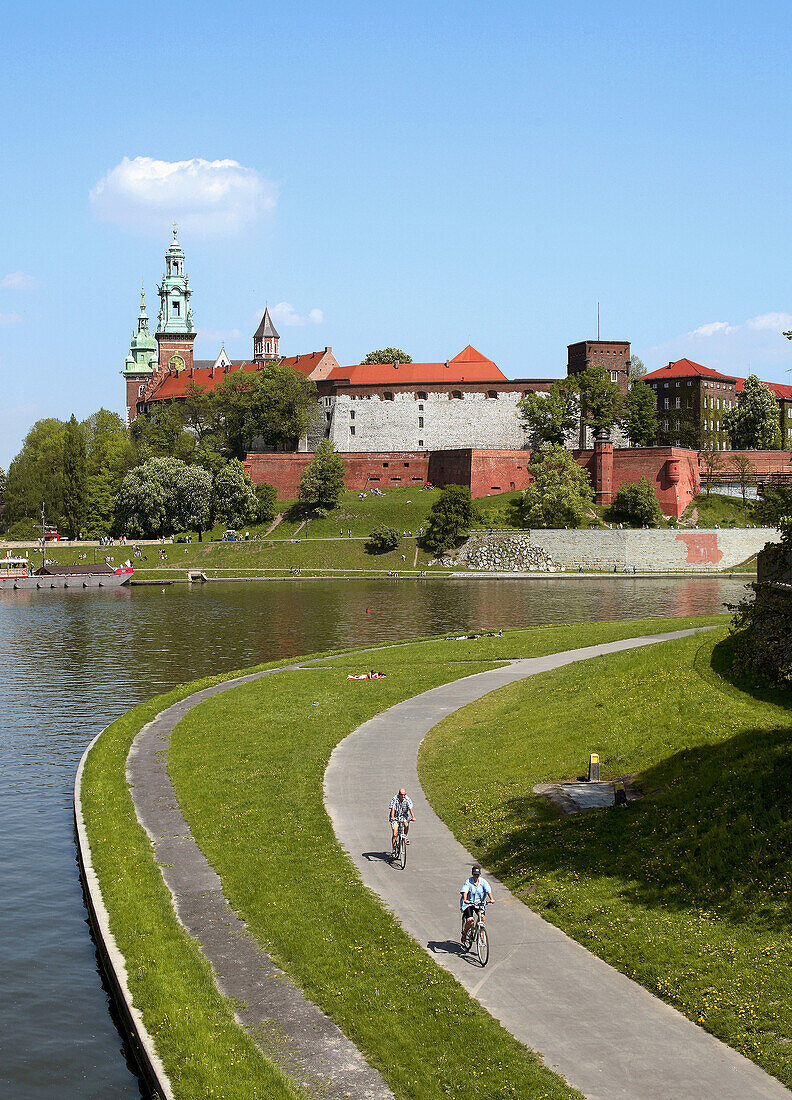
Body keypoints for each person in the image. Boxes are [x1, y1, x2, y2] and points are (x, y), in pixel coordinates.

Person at [460, 864, 494, 946]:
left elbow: (488, 890)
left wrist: (491, 899)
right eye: (475, 874)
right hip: (469, 904)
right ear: (472, 874)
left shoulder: (483, 882)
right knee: (470, 921)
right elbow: (465, 890)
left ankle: (481, 935)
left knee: (482, 918)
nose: (476, 876)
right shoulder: (468, 881)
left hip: (479, 903)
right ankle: (464, 933)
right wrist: (465, 899)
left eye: (477, 874)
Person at [389, 788, 415, 852]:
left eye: (404, 795)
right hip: (395, 817)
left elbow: (410, 809)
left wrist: (413, 817)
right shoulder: (395, 799)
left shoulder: (407, 799)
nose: (403, 796)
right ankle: (394, 848)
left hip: (404, 816)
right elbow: (393, 809)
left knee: (406, 825)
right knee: (395, 834)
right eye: (401, 795)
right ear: (399, 794)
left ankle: (405, 837)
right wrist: (392, 817)